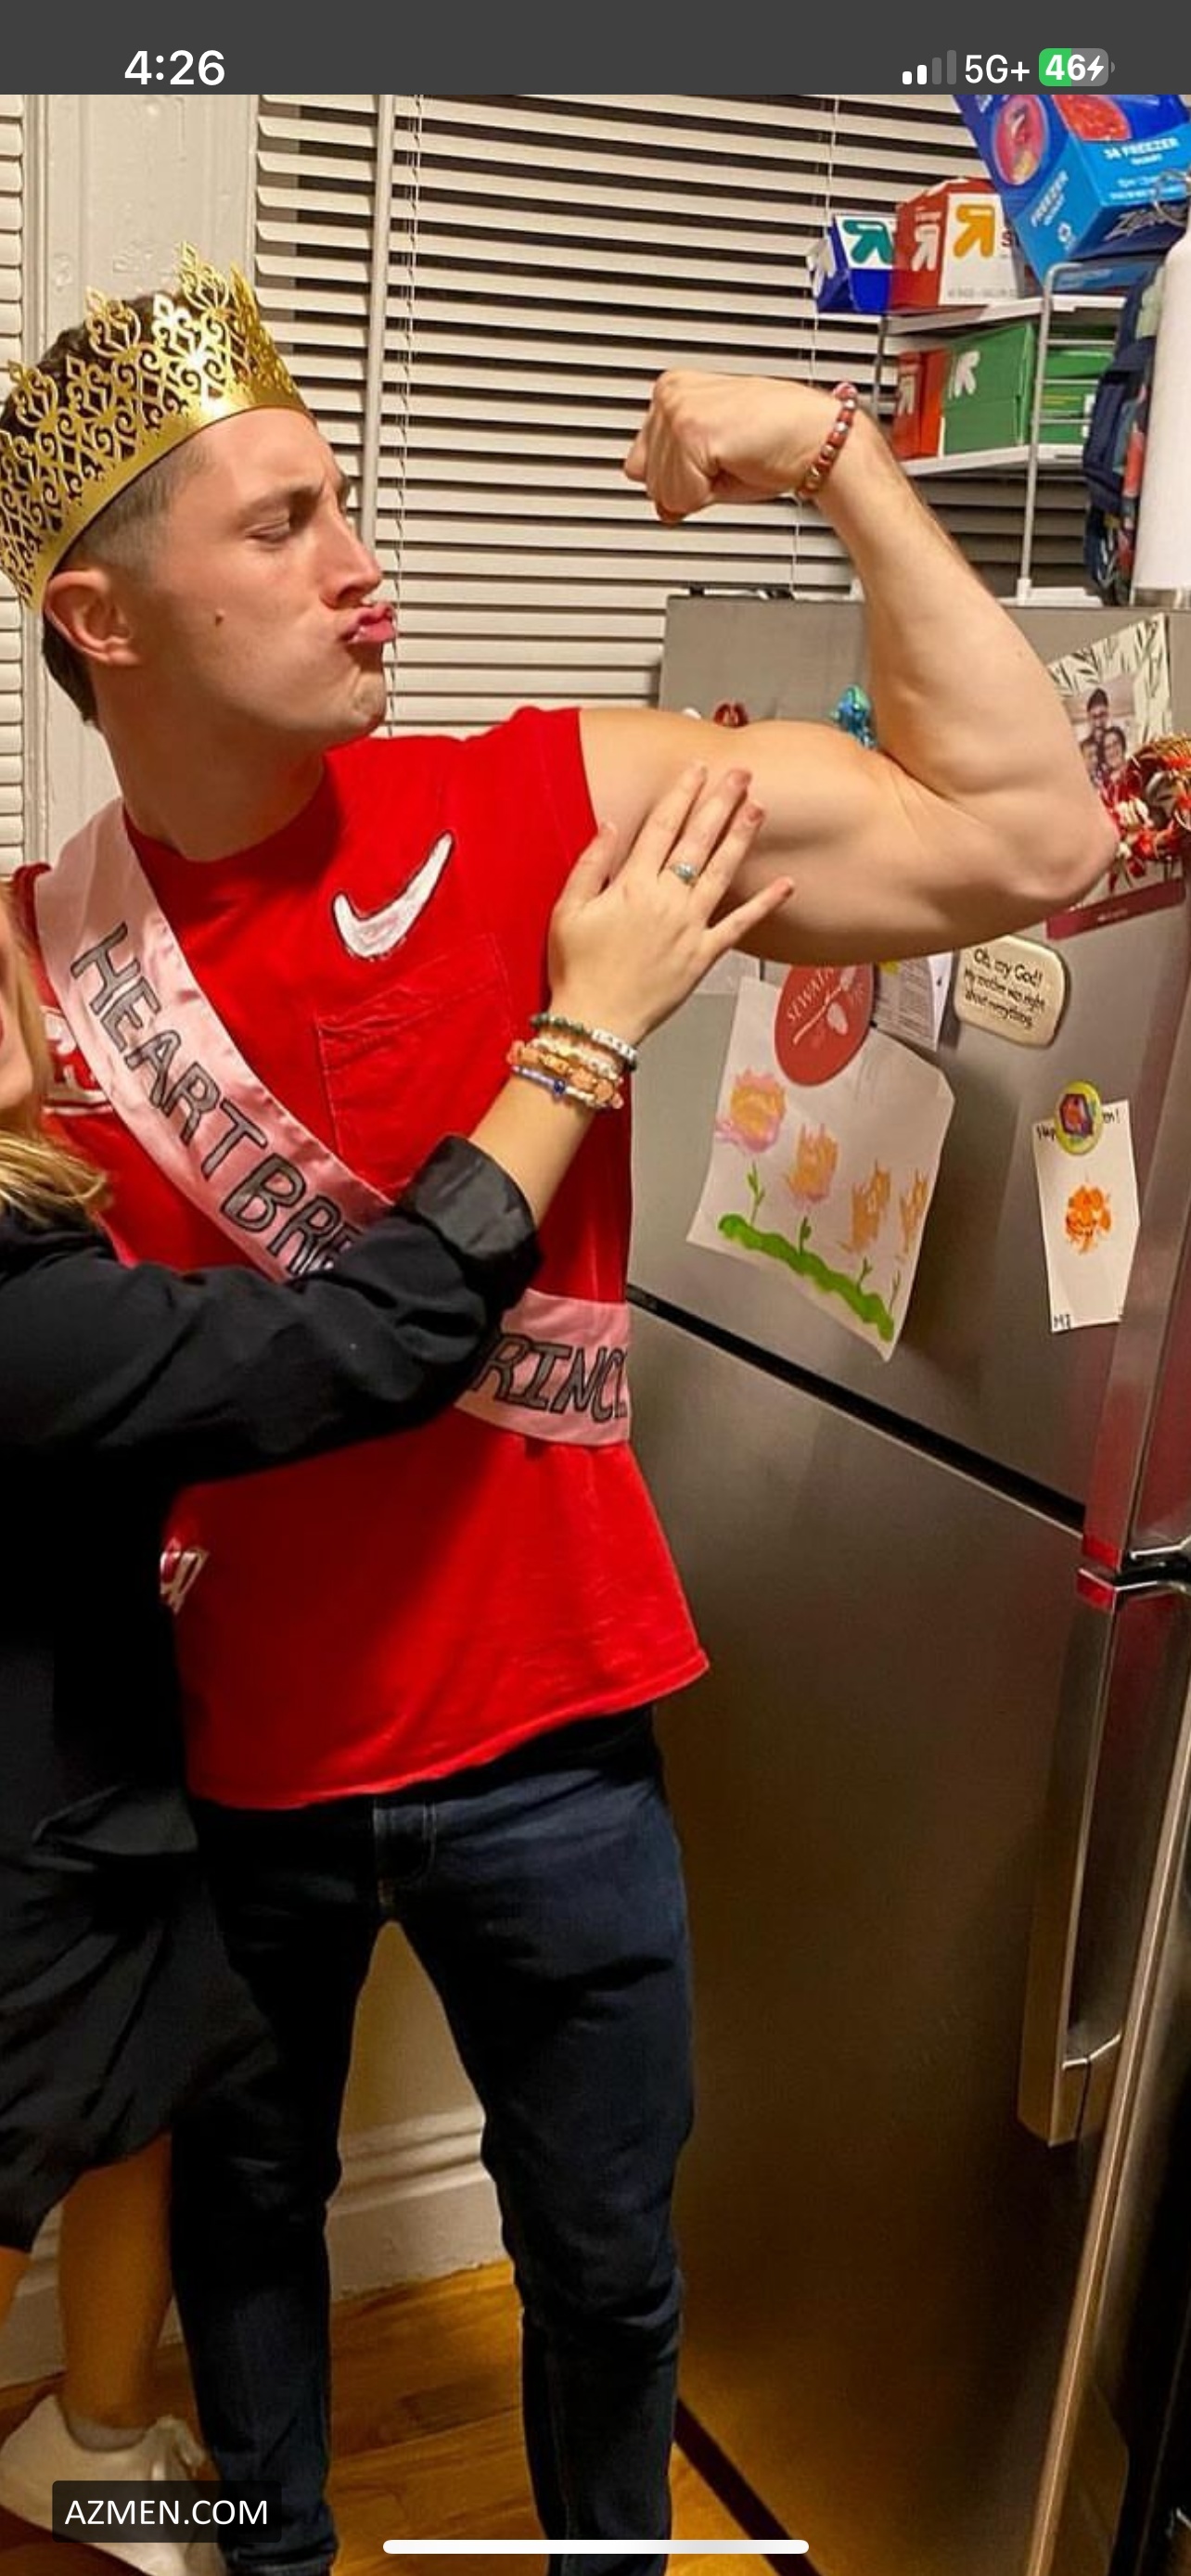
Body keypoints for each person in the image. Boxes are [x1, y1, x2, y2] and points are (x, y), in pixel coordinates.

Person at [0, 249, 1113, 2576]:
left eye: (345, 500)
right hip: (220, 1769)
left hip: (558, 1739)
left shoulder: (557, 808)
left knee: (606, 2266)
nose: (364, 557)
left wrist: (839, 460)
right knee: (249, 2248)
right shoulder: (31, 971)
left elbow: (1038, 840)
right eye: (285, 522)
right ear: (103, 622)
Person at [0, 783, 781, 2571]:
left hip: (497, 1740)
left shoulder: (498, 821)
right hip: (148, 1809)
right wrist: (585, 1037)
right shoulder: (62, 1003)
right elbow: (357, 1343)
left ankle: (111, 2466)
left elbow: (1032, 845)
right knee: (235, 2206)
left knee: (592, 2249)